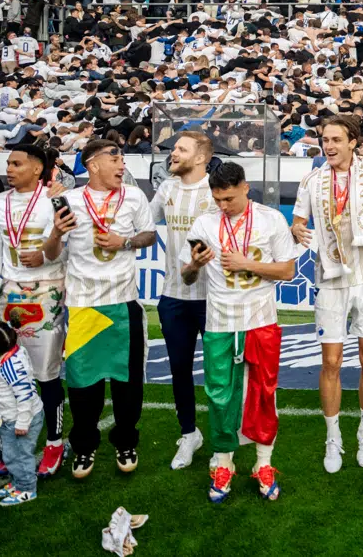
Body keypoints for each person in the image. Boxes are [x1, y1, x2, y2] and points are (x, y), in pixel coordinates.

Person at [181, 162, 298, 504]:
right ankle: (223, 462)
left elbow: (288, 270)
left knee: (264, 391)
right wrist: (193, 266)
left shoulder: (270, 219)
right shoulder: (204, 223)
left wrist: (247, 264)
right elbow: (187, 278)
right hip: (219, 321)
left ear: (245, 188)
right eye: (217, 199)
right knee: (220, 394)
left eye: (228, 198)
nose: (222, 206)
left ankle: (264, 464)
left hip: (261, 318)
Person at [43, 138, 157, 478]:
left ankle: (125, 441)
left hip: (123, 302)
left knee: (128, 384)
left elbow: (149, 235)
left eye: (122, 158)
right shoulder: (69, 200)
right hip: (82, 305)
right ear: (92, 164)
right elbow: (52, 254)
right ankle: (84, 448)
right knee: (82, 385)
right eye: (115, 158)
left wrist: (125, 242)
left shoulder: (134, 196)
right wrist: (55, 233)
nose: (122, 164)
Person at [291, 114, 363, 475]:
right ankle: (333, 437)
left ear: (352, 142)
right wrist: (299, 231)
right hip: (330, 277)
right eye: (323, 140)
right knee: (330, 362)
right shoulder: (312, 180)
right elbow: (299, 222)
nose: (328, 146)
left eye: (334, 140)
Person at [0, 143, 68, 478]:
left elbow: (67, 248)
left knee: (46, 374)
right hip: (9, 295)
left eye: (17, 164)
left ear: (36, 168)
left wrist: (45, 257)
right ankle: (14, 445)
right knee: (9, 373)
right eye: (8, 164)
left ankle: (54, 443)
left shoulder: (56, 199)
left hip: (48, 291)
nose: (9, 169)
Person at [151, 130, 215, 471]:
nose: (173, 153)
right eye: (174, 148)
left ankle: (223, 438)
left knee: (220, 372)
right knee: (179, 370)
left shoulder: (215, 192)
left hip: (212, 298)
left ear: (201, 157)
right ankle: (189, 433)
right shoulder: (167, 188)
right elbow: (145, 223)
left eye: (180, 149)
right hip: (173, 296)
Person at [0, 321, 42, 507]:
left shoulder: (11, 366)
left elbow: (25, 395)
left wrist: (23, 423)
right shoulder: (13, 353)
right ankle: (18, 482)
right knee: (10, 454)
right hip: (11, 417)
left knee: (20, 455)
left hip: (19, 419)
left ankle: (26, 488)